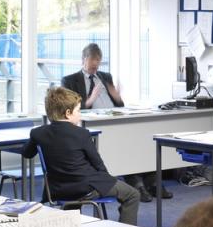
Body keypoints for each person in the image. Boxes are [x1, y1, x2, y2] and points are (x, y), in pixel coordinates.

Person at [60, 43, 168, 202]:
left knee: (142, 140)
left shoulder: (105, 76)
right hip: (92, 125)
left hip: (115, 119)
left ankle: (153, 182)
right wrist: (90, 100)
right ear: (84, 60)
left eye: (98, 63)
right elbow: (70, 109)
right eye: (92, 64)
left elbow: (119, 105)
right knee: (125, 145)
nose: (95, 67)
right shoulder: (69, 80)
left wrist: (117, 97)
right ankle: (136, 184)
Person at [23, 86, 140, 225]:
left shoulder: (38, 133)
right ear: (68, 113)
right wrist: (107, 181)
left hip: (58, 190)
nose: (80, 115)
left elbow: (27, 153)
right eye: (78, 111)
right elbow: (98, 164)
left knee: (75, 184)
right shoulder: (82, 133)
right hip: (85, 189)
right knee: (133, 195)